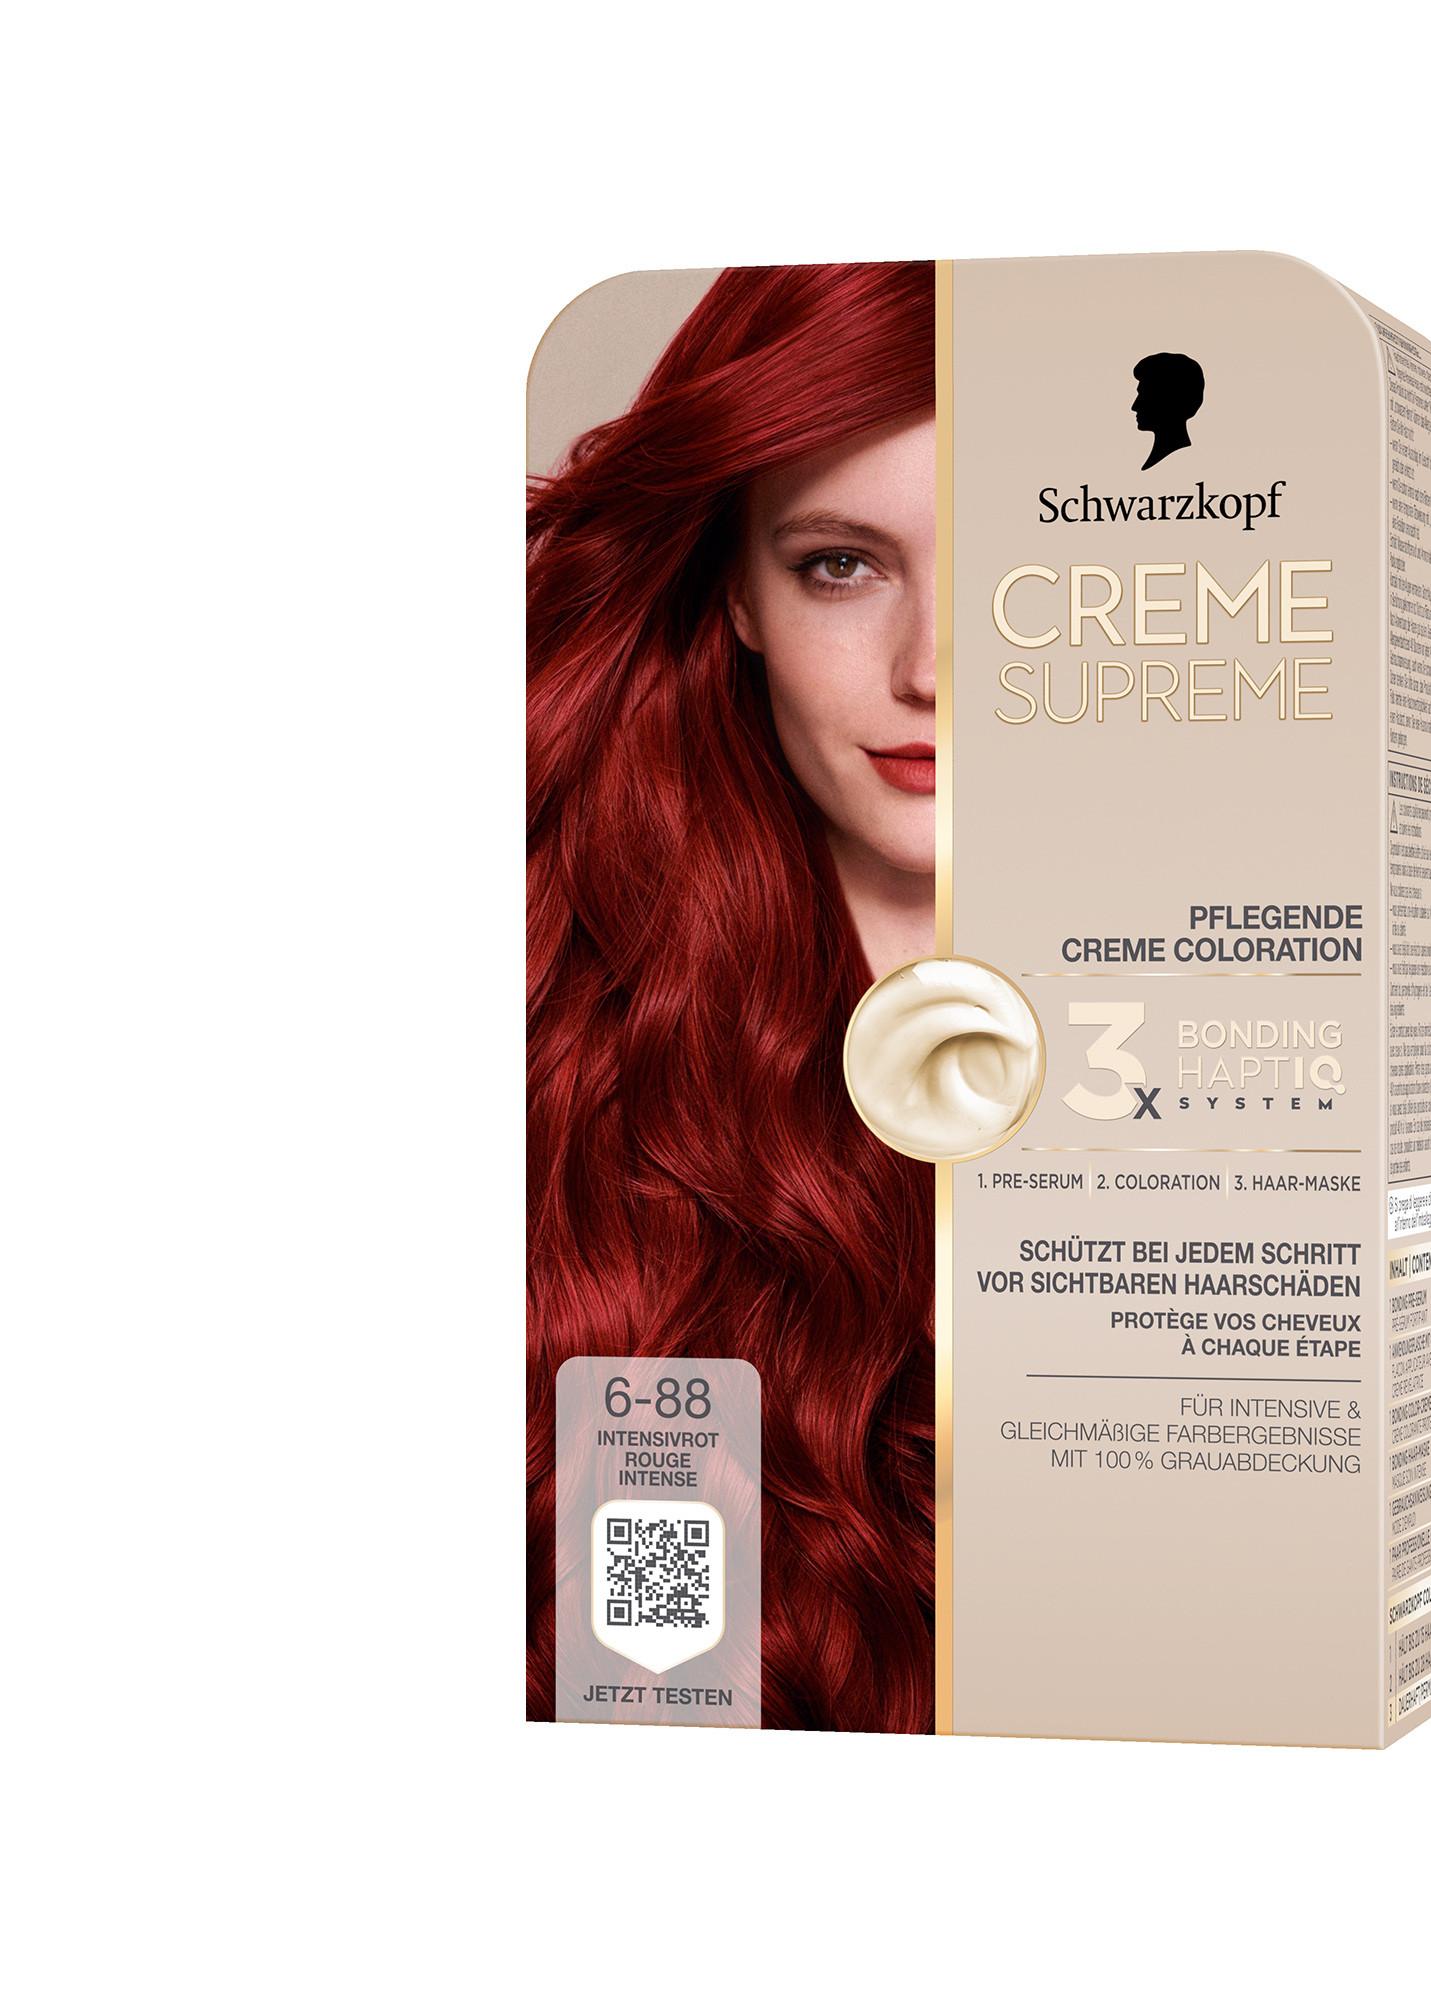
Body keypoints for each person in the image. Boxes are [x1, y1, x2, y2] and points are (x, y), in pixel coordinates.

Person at [527, 263, 937, 1730]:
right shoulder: (558, 1041)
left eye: (1023, 571)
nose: (934, 669)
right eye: (841, 565)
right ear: (740, 595)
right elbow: (643, 1683)